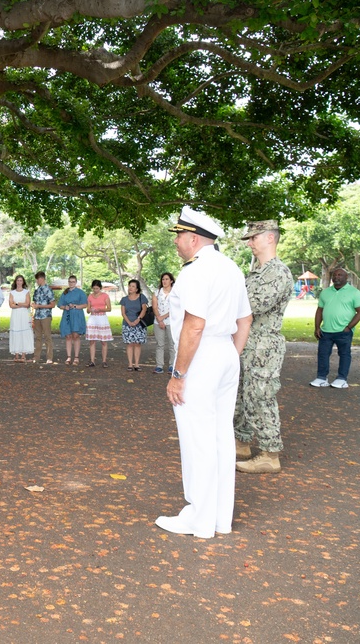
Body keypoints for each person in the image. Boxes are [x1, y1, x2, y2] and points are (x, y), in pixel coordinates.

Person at [157, 206, 252, 539]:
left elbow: (194, 326)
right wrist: (228, 357)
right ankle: (219, 518)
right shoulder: (231, 268)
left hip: (201, 355)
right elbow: (245, 321)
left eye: (179, 235)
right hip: (225, 351)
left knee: (198, 439)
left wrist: (178, 374)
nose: (177, 242)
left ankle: (199, 519)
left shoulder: (196, 272)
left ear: (193, 238)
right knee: (220, 437)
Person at [233, 220, 295, 473]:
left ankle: (270, 454)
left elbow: (253, 306)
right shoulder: (257, 271)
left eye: (253, 238)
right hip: (247, 342)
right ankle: (242, 443)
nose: (249, 243)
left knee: (260, 396)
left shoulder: (277, 272)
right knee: (242, 396)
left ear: (270, 238)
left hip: (263, 346)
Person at [310, 267, 360, 389]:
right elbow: (320, 310)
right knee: (323, 354)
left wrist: (349, 327)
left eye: (340, 275)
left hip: (343, 331)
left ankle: (341, 379)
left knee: (344, 354)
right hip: (325, 331)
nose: (336, 277)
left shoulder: (354, 293)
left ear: (347, 277)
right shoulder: (325, 292)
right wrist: (317, 327)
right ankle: (321, 378)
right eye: (334, 275)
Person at [119, 279, 149, 371]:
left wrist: (138, 320)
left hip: (139, 324)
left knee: (137, 344)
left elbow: (144, 309)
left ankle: (137, 364)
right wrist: (129, 322)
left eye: (133, 286)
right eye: (129, 286)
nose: (130, 288)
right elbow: (123, 313)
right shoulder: (124, 299)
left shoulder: (141, 297)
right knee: (130, 344)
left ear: (137, 289)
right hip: (127, 323)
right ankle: (130, 364)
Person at [57, 275, 87, 365]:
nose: (71, 283)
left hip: (77, 315)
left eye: (73, 281)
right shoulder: (65, 293)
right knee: (68, 336)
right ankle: (69, 357)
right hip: (67, 315)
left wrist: (75, 306)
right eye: (70, 281)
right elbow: (59, 304)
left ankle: (76, 357)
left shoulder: (80, 292)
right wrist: (65, 307)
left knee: (76, 335)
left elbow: (85, 304)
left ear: (76, 282)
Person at [152, 272, 176, 374]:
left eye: (166, 279)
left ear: (171, 281)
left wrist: (163, 317)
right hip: (158, 322)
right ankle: (159, 365)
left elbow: (176, 308)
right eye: (163, 279)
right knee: (160, 344)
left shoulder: (176, 292)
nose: (164, 281)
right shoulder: (157, 292)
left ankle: (172, 365)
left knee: (172, 344)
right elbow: (154, 306)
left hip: (172, 321)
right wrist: (159, 319)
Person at [30, 271, 56, 363]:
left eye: (37, 279)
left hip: (46, 316)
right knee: (38, 337)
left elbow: (53, 304)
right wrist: (34, 305)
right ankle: (36, 357)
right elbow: (35, 303)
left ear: (41, 278)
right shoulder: (37, 290)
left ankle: (49, 358)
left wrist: (39, 306)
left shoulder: (48, 290)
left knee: (47, 337)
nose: (36, 281)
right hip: (37, 316)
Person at [85, 280, 113, 367]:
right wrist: (91, 310)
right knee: (92, 341)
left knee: (103, 341)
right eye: (94, 288)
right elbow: (87, 310)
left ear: (100, 288)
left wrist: (100, 309)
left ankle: (104, 361)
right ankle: (92, 360)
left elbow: (109, 308)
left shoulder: (105, 296)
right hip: (93, 318)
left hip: (102, 318)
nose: (95, 290)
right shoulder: (90, 296)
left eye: (97, 288)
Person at [7, 274, 33, 362]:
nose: (19, 282)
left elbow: (27, 304)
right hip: (15, 315)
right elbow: (11, 305)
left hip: (24, 315)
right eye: (17, 280)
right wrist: (21, 304)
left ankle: (23, 355)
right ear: (15, 282)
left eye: (21, 280)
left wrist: (17, 303)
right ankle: (16, 354)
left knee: (24, 333)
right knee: (16, 332)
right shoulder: (12, 293)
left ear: (23, 282)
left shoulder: (26, 292)